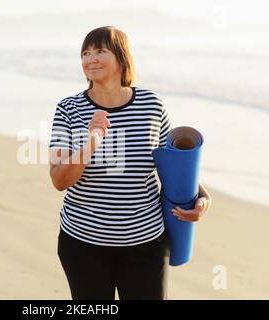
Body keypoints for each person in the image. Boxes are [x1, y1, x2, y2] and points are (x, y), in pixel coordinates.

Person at [48, 26, 212, 300]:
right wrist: (90, 142)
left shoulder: (152, 105)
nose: (91, 59)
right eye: (85, 53)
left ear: (122, 57)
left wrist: (204, 198)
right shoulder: (68, 108)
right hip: (83, 243)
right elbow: (59, 180)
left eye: (100, 51)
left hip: (146, 244)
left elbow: (173, 166)